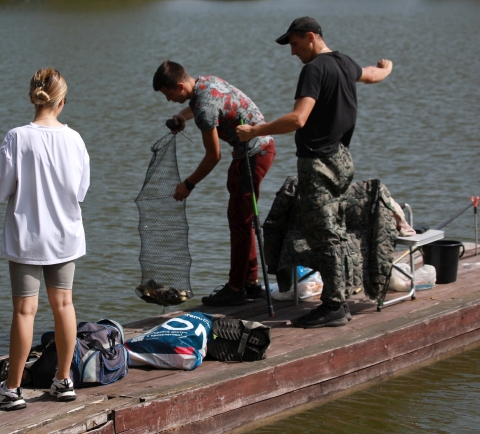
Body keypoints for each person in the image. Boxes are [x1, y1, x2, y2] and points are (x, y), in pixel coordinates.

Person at [237, 17, 393, 328]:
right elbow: (374, 75)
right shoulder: (345, 63)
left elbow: (297, 119)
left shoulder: (314, 69)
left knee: (323, 233)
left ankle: (334, 305)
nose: (292, 52)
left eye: (295, 44)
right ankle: (339, 299)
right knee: (331, 227)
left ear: (311, 37)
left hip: (318, 162)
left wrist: (255, 130)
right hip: (342, 158)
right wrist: (387, 67)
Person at [0, 68, 89, 410]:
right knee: (64, 305)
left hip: (28, 237)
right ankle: (63, 381)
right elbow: (81, 191)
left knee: (24, 310)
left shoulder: (15, 137)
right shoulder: (74, 139)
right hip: (64, 235)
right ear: (62, 101)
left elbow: (1, 191)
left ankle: (12, 390)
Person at [153, 61, 275, 306]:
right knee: (242, 218)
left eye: (169, 95)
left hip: (253, 155)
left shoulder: (204, 108)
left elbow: (213, 156)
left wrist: (188, 184)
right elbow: (198, 106)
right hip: (257, 150)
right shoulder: (204, 83)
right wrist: (181, 116)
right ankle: (250, 283)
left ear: (179, 85)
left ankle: (236, 288)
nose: (168, 100)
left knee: (240, 222)